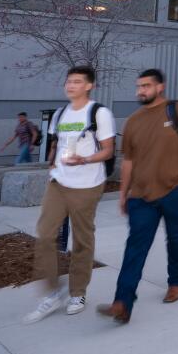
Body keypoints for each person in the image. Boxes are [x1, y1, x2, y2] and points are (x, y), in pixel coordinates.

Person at [98, 69, 178, 324]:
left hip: (174, 189)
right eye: (138, 87)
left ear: (160, 87)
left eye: (146, 86)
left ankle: (176, 282)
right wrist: (123, 194)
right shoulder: (134, 120)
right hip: (141, 195)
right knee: (135, 246)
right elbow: (128, 161)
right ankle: (122, 302)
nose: (141, 91)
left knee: (176, 237)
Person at [22, 65, 115, 323]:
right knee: (45, 235)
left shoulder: (99, 113)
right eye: (68, 81)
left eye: (76, 81)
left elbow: (108, 150)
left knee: (82, 240)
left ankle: (78, 292)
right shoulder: (60, 113)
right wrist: (53, 164)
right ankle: (52, 293)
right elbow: (55, 142)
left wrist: (84, 160)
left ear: (89, 85)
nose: (70, 85)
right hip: (59, 183)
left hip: (87, 185)